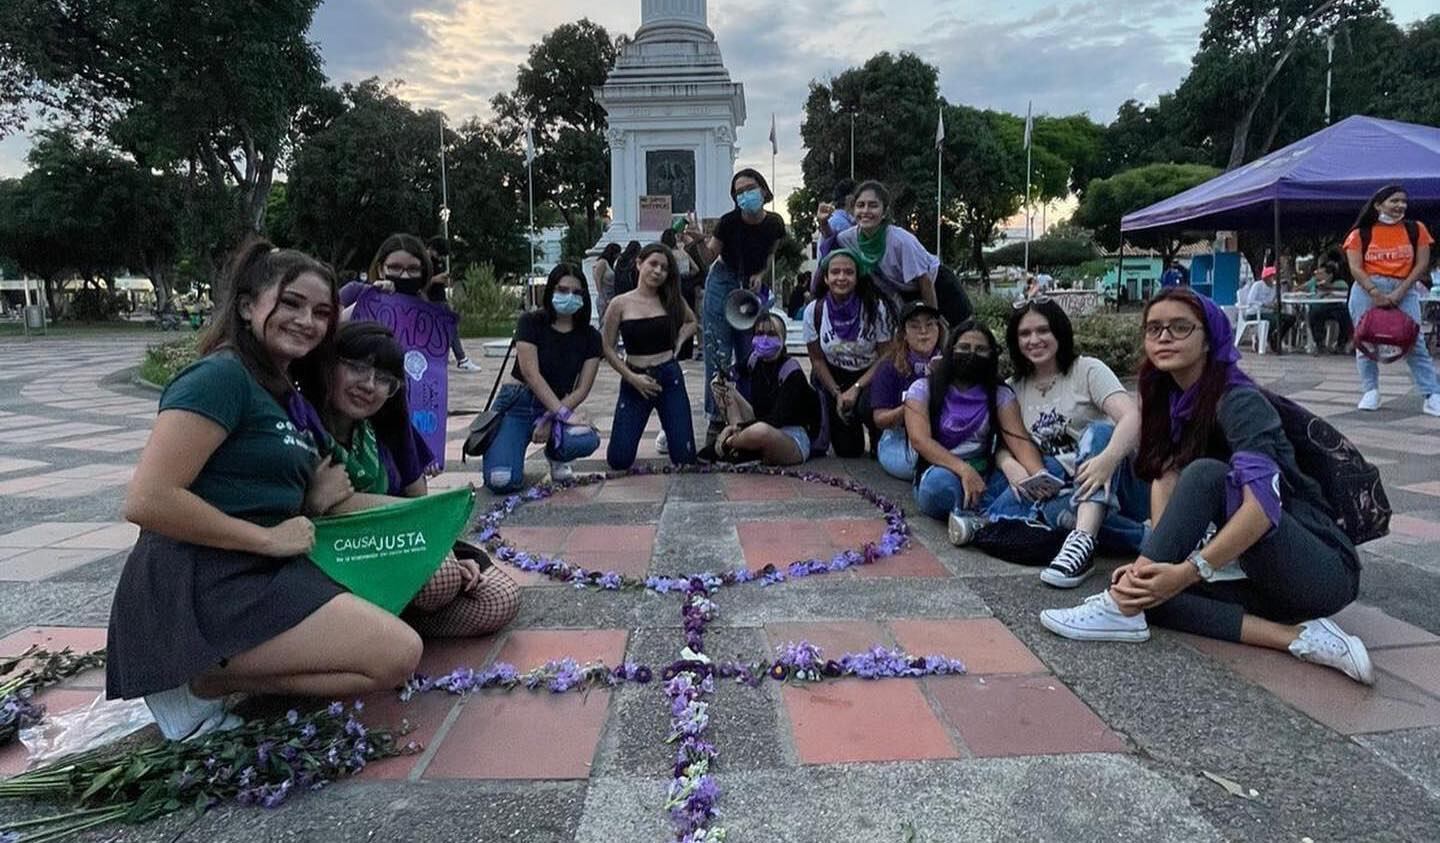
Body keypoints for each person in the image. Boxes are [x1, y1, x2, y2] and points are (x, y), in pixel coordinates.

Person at [106, 239, 423, 741]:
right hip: (200, 580)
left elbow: (325, 497)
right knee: (397, 654)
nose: (307, 321)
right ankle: (197, 679)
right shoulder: (219, 377)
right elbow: (148, 501)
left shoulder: (281, 391)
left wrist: (435, 521)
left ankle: (214, 675)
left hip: (266, 570)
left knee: (396, 653)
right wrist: (268, 539)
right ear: (247, 306)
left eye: (322, 312)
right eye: (291, 303)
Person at [1040, 288, 1373, 685]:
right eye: (1154, 329)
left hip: (1318, 568)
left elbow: (1261, 511)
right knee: (1151, 597)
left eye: (1180, 327)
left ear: (1209, 339)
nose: (1164, 337)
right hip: (1258, 572)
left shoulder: (1239, 401)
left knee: (1204, 475)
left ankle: (1118, 607)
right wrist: (1154, 567)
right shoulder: (1171, 399)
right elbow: (1164, 478)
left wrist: (1189, 571)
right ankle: (1299, 638)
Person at [306, 320, 521, 637]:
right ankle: (372, 632)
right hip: (334, 554)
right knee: (441, 579)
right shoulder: (303, 425)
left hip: (398, 540)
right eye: (356, 368)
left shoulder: (386, 426)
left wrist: (443, 549)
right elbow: (321, 507)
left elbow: (419, 503)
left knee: (499, 598)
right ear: (329, 365)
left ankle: (392, 627)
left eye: (384, 379)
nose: (369, 385)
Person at [997, 298, 1148, 588]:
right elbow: (1005, 441)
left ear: (1059, 332)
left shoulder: (1087, 369)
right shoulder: (1014, 387)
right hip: (1070, 489)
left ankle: (1083, 542)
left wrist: (1107, 460)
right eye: (1025, 334)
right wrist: (1008, 464)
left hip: (1118, 482)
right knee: (1054, 510)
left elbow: (1132, 417)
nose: (1034, 340)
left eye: (1043, 330)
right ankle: (1148, 539)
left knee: (1098, 433)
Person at [905, 321, 1050, 545]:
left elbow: (1019, 441)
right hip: (941, 472)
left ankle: (976, 523)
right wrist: (964, 470)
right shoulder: (923, 389)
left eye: (981, 350)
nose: (971, 355)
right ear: (951, 350)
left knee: (1042, 472)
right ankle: (999, 515)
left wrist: (1040, 476)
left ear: (991, 355)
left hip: (986, 478)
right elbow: (920, 440)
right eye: (964, 348)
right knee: (939, 486)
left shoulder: (1000, 394)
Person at [478, 264, 604, 491]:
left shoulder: (591, 336)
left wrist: (550, 418)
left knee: (587, 438)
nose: (569, 296)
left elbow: (582, 388)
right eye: (562, 290)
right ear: (551, 290)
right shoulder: (531, 322)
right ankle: (507, 450)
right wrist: (561, 414)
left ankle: (557, 455)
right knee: (501, 480)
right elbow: (531, 374)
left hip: (557, 404)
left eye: (576, 292)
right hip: (518, 404)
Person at [700, 169, 787, 437]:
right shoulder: (728, 222)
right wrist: (697, 242)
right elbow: (709, 257)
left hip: (750, 286)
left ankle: (750, 412)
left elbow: (771, 254)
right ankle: (717, 416)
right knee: (718, 352)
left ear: (763, 189)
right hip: (723, 281)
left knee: (750, 351)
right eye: (739, 192)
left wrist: (761, 274)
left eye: (750, 188)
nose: (745, 195)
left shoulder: (775, 223)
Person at [1343, 184, 1439, 415]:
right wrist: (1374, 292)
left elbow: (1421, 264)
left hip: (1405, 288)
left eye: (1403, 201)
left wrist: (1400, 291)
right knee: (1364, 340)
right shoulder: (1360, 234)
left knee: (1414, 341)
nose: (1400, 205)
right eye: (1394, 201)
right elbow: (1355, 267)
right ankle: (1370, 391)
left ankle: (1431, 394)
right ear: (1378, 205)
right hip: (1366, 289)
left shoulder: (1416, 229)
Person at [603, 243, 700, 469]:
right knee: (619, 460)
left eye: (664, 268)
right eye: (653, 264)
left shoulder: (672, 299)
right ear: (639, 264)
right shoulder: (620, 303)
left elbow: (691, 322)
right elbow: (607, 347)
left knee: (685, 459)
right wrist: (631, 377)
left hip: (668, 375)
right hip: (635, 378)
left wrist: (679, 341)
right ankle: (667, 428)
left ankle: (670, 429)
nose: (658, 271)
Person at [830, 181, 972, 328]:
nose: (866, 211)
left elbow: (925, 281)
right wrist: (823, 223)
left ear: (884, 212)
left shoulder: (901, 241)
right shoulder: (850, 237)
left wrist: (931, 319)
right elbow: (831, 241)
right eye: (860, 205)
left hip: (937, 285)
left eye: (873, 205)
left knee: (961, 332)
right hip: (908, 293)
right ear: (853, 209)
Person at [804, 248, 894, 458]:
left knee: (866, 407)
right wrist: (837, 394)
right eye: (835, 272)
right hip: (835, 377)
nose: (841, 277)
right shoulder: (814, 311)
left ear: (857, 277)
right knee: (848, 451)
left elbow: (886, 355)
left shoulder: (875, 307)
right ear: (826, 278)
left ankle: (878, 434)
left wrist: (856, 388)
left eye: (849, 272)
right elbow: (817, 359)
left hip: (870, 376)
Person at [708, 313, 819, 465]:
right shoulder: (754, 360)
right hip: (758, 422)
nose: (765, 339)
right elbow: (732, 372)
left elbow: (777, 419)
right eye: (760, 334)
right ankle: (741, 446)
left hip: (789, 435)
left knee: (761, 431)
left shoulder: (792, 371)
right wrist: (721, 379)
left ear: (782, 339)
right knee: (722, 388)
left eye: (772, 334)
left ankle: (728, 443)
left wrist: (739, 429)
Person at [870, 301, 943, 480]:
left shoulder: (951, 363)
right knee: (920, 464)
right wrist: (911, 407)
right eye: (915, 326)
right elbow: (879, 419)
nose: (923, 331)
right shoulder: (889, 367)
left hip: (944, 434)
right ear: (903, 333)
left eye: (930, 324)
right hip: (900, 438)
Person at [425, 236, 481, 372]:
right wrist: (434, 280)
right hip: (431, 300)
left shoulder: (438, 262)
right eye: (438, 254)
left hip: (440, 298)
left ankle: (448, 354)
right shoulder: (423, 262)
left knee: (447, 328)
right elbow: (420, 283)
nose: (440, 258)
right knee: (448, 327)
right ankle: (461, 358)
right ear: (431, 249)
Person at [663, 227, 706, 361]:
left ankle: (676, 349)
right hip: (688, 286)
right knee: (689, 317)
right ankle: (688, 350)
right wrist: (687, 275)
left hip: (675, 287)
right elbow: (696, 269)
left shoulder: (667, 254)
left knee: (675, 318)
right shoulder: (683, 253)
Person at [1239, 266, 1295, 352]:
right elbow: (1250, 301)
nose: (1274, 278)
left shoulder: (1275, 287)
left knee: (1290, 319)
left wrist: (1277, 303)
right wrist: (1265, 305)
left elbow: (1279, 299)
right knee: (1276, 320)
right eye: (1272, 276)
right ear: (1267, 277)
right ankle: (1264, 337)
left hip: (1269, 313)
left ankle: (1276, 337)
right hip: (1254, 312)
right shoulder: (1258, 285)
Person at [1304, 261, 1352, 353]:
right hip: (1320, 307)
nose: (1319, 276)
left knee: (1344, 315)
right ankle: (1319, 343)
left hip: (1335, 307)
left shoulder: (1340, 283)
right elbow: (1302, 289)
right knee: (1314, 314)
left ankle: (1341, 343)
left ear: (1330, 275)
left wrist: (1327, 288)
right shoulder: (1314, 283)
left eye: (1322, 274)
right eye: (1318, 273)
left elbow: (1344, 292)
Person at [592, 242, 622, 324]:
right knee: (604, 322)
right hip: (604, 296)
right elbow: (597, 279)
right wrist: (602, 296)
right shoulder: (602, 262)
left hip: (611, 295)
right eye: (617, 253)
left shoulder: (611, 264)